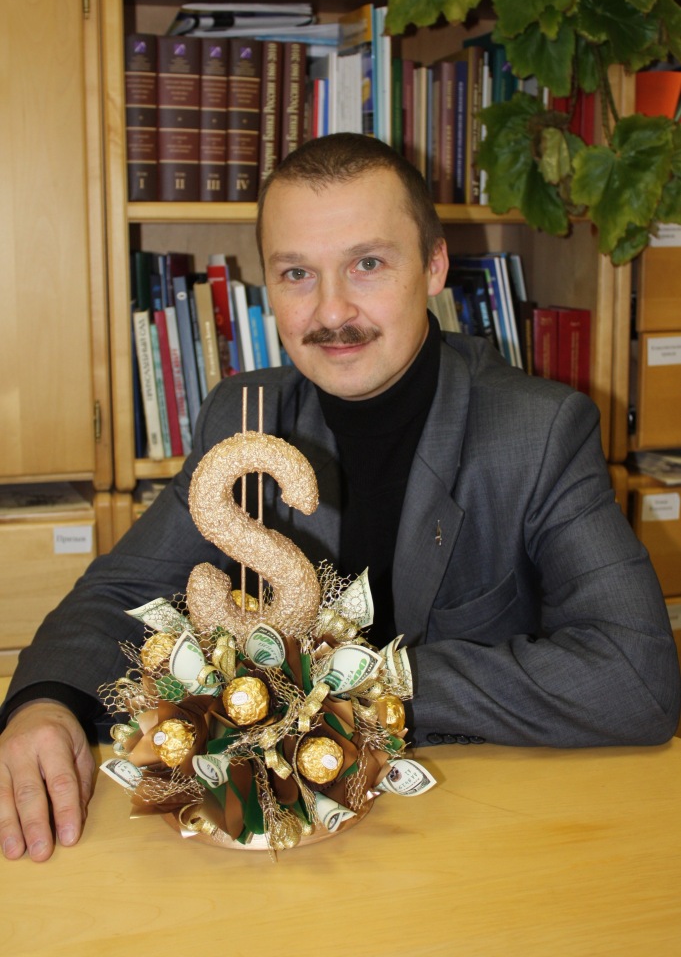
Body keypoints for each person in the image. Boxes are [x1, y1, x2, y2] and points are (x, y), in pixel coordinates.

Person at [1, 133, 679, 863]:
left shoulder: (538, 431)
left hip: (472, 824)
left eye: (367, 264)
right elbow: (122, 589)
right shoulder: (246, 415)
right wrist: (47, 702)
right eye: (297, 273)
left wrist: (348, 689)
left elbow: (634, 680)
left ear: (434, 266)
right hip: (290, 837)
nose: (331, 311)